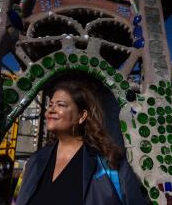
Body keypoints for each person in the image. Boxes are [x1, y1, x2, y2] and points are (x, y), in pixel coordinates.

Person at [16, 79, 148, 205]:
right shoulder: (34, 161)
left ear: (82, 116)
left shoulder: (110, 162)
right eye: (50, 104)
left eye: (61, 104)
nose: (51, 109)